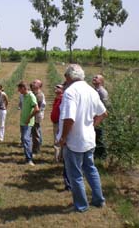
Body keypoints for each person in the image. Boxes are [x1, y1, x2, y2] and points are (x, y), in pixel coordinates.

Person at [57, 64, 107, 212]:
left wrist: (63, 138)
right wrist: (91, 126)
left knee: (75, 174)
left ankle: (81, 206)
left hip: (75, 141)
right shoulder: (91, 91)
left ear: (69, 77)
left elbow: (69, 119)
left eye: (65, 77)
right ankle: (99, 200)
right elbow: (103, 113)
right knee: (91, 169)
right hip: (89, 140)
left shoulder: (70, 92)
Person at [50, 83, 71, 191]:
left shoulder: (64, 99)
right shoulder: (57, 98)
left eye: (58, 87)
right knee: (57, 142)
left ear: (63, 90)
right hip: (56, 123)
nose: (56, 88)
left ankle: (58, 159)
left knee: (58, 142)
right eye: (56, 87)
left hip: (60, 124)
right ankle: (58, 158)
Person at [17, 81, 39, 166]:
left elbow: (36, 109)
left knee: (26, 140)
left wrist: (29, 118)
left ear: (23, 88)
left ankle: (29, 160)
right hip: (23, 121)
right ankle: (27, 157)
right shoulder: (24, 96)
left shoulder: (31, 96)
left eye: (19, 89)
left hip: (27, 122)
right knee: (24, 139)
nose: (19, 91)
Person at [92, 74, 109, 159]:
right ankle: (96, 155)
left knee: (99, 136)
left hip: (99, 117)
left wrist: (99, 117)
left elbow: (105, 106)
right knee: (95, 136)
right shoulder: (94, 90)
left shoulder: (102, 92)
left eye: (96, 77)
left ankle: (102, 156)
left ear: (101, 81)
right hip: (94, 116)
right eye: (94, 77)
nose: (94, 78)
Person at [30, 79, 46, 153]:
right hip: (35, 115)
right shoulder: (35, 93)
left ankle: (36, 149)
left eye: (35, 82)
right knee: (37, 130)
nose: (32, 83)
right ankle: (37, 146)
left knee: (35, 132)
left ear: (39, 86)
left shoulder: (39, 95)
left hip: (36, 116)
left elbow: (36, 108)